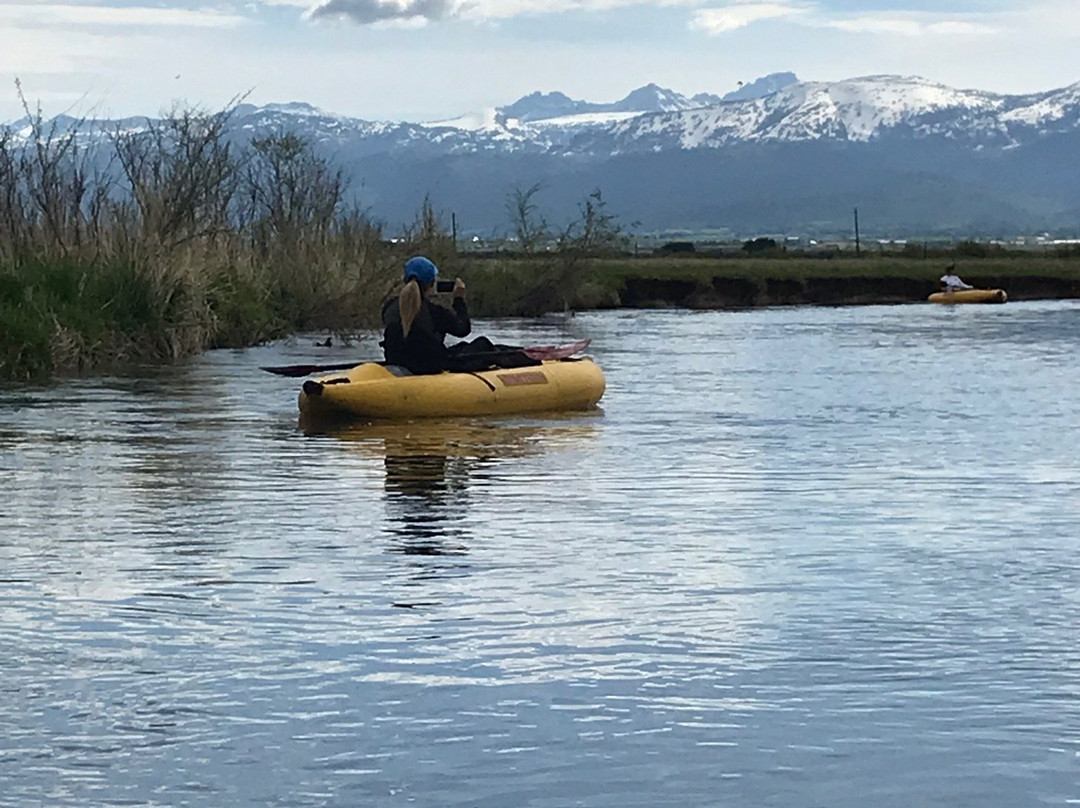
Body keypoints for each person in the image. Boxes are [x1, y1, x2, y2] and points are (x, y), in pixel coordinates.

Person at [381, 256, 537, 375]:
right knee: (482, 344)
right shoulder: (435, 312)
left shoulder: (388, 308)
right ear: (431, 283)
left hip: (399, 362)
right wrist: (459, 299)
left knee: (462, 348)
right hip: (430, 367)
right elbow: (463, 329)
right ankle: (528, 357)